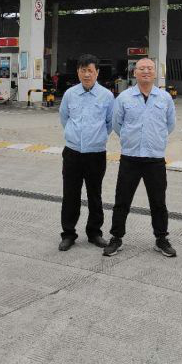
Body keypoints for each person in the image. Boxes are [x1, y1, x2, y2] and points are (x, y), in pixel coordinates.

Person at [104, 58, 177, 257]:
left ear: (155, 73)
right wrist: (130, 139)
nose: (146, 71)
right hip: (131, 158)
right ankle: (116, 238)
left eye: (150, 68)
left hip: (155, 158)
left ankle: (161, 239)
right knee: (122, 201)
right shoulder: (124, 98)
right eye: (142, 68)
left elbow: (170, 124)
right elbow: (117, 125)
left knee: (158, 202)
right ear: (134, 72)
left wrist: (156, 139)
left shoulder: (164, 98)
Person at [58, 54, 115, 251]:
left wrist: (96, 138)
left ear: (97, 72)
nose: (87, 74)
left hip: (96, 154)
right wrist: (74, 136)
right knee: (70, 194)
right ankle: (68, 234)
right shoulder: (70, 94)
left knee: (95, 194)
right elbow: (64, 118)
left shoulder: (107, 96)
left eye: (90, 70)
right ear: (78, 72)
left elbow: (110, 123)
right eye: (83, 70)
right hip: (72, 152)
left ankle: (94, 233)